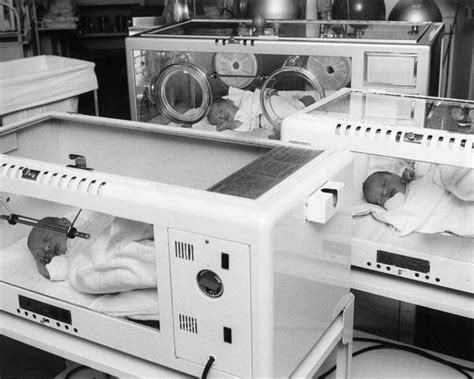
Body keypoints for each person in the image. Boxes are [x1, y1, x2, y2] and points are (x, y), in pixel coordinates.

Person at [207, 88, 315, 132]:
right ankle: (304, 107)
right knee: (290, 120)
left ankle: (302, 103)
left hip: (269, 104)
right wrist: (228, 125)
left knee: (290, 105)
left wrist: (267, 93)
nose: (221, 116)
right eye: (218, 119)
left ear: (230, 101)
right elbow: (244, 126)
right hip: (266, 118)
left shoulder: (244, 100)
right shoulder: (238, 119)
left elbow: (256, 94)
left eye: (220, 111)